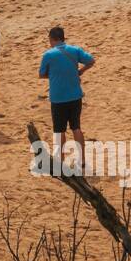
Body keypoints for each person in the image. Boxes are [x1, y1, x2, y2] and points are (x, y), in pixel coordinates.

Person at [39, 26, 95, 171]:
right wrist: (80, 71)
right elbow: (91, 61)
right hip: (75, 95)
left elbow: (42, 74)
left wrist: (55, 76)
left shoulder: (48, 54)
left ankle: (60, 160)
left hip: (58, 97)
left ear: (52, 39)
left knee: (59, 130)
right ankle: (82, 159)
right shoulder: (74, 50)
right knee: (76, 127)